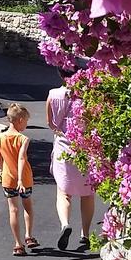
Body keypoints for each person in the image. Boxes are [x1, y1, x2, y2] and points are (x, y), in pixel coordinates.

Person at [47, 66, 95, 250]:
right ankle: (85, 234)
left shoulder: (52, 95)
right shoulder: (87, 97)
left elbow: (50, 123)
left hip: (62, 147)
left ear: (60, 73)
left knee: (63, 191)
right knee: (87, 193)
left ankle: (65, 224)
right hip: (84, 148)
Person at [0, 102, 36, 256]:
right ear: (20, 120)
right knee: (27, 206)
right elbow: (21, 159)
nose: (26, 124)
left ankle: (17, 244)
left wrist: (1, 170)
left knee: (13, 210)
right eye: (26, 121)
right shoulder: (23, 139)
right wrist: (20, 179)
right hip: (24, 178)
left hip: (7, 178)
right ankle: (28, 235)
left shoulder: (0, 137)